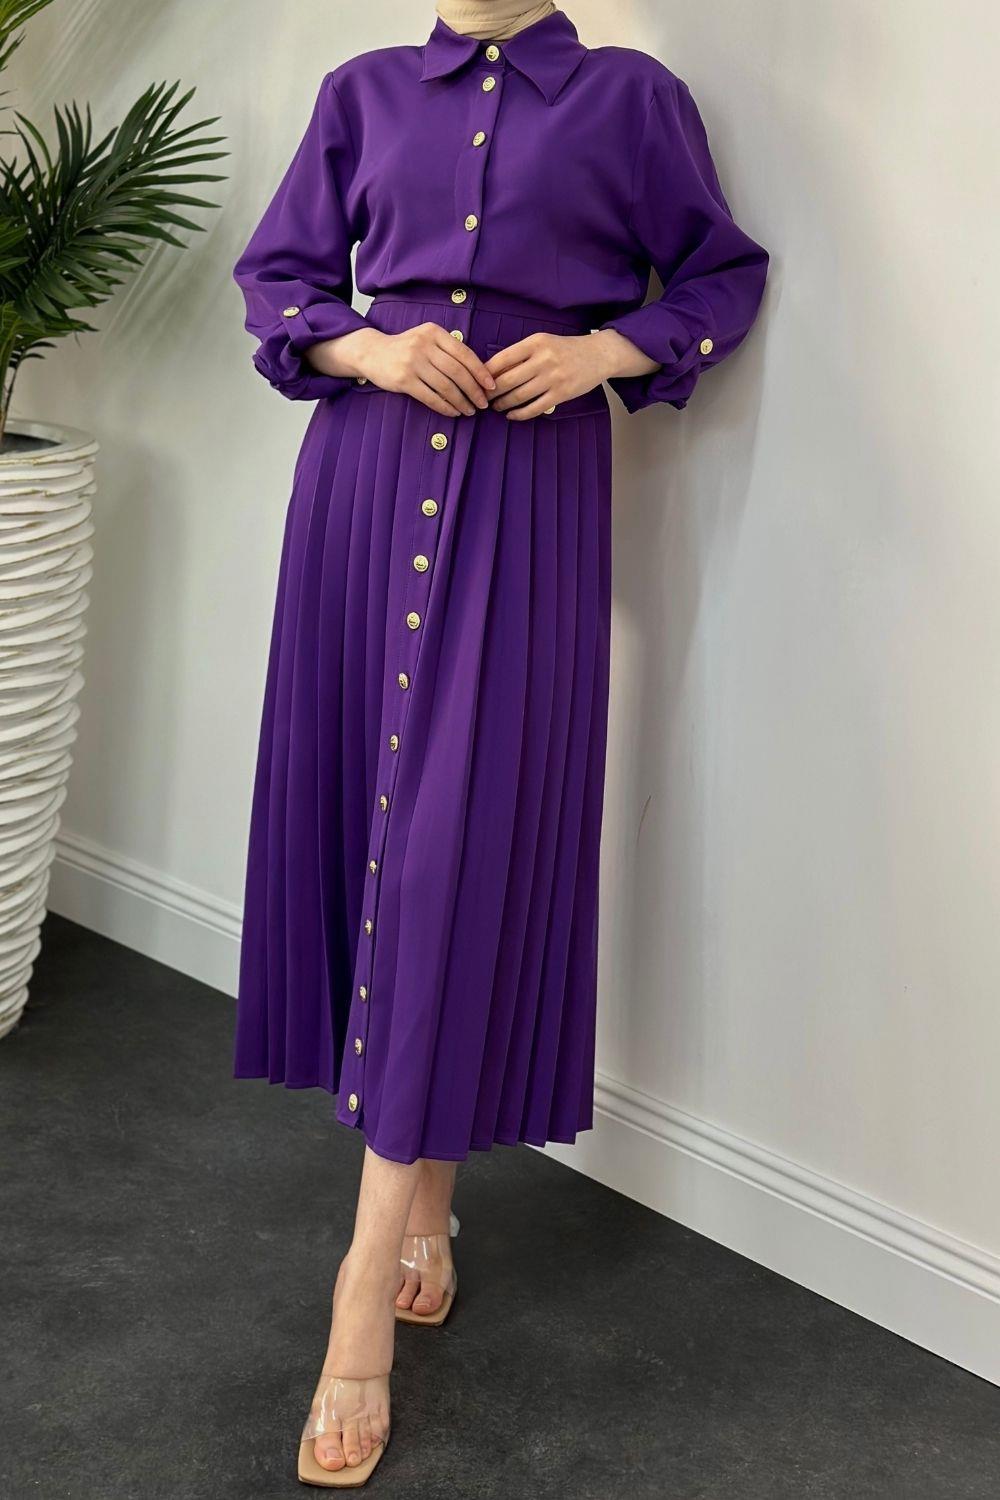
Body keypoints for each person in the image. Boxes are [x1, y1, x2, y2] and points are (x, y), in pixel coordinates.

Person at [232, 1, 768, 1485]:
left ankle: (361, 1284)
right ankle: (422, 1206)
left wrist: (602, 353)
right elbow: (278, 279)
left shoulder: (631, 98)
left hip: (533, 500)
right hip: (363, 487)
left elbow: (720, 276)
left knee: (457, 851)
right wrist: (369, 348)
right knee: (379, 842)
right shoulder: (360, 91)